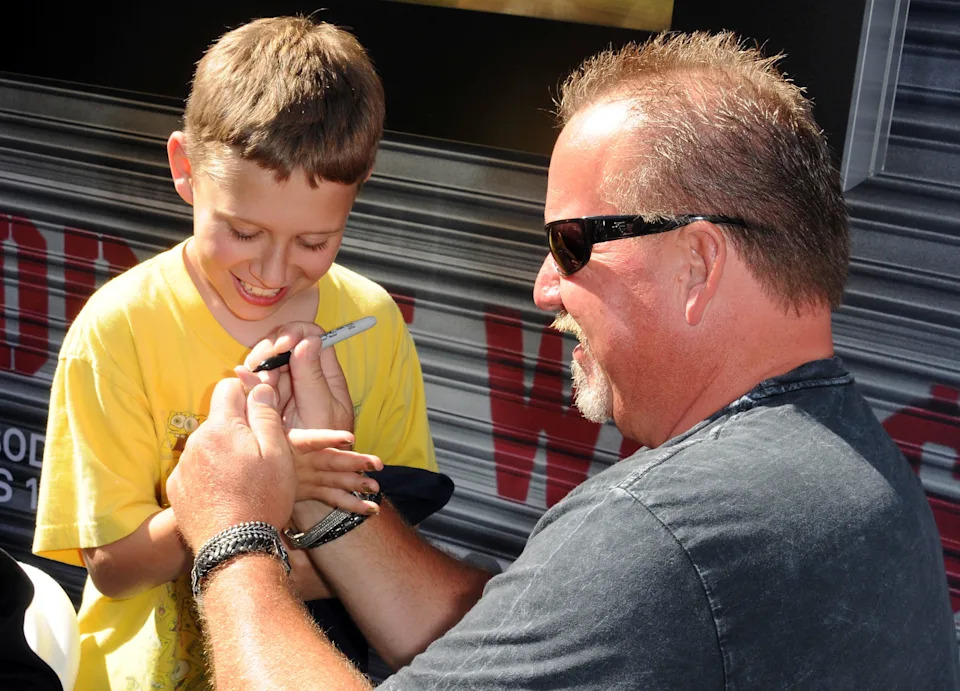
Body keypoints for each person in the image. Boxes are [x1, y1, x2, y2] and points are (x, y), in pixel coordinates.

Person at [167, 31, 959, 688]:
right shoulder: (850, 467)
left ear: (698, 262)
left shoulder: (668, 532)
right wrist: (327, 505)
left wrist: (231, 530)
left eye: (571, 244)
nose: (544, 287)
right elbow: (509, 645)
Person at [31, 16, 440, 690]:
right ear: (184, 169)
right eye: (244, 230)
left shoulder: (372, 321)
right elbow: (111, 565)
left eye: (314, 241)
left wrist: (300, 500)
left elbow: (396, 545)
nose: (274, 270)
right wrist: (271, 494)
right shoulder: (119, 329)